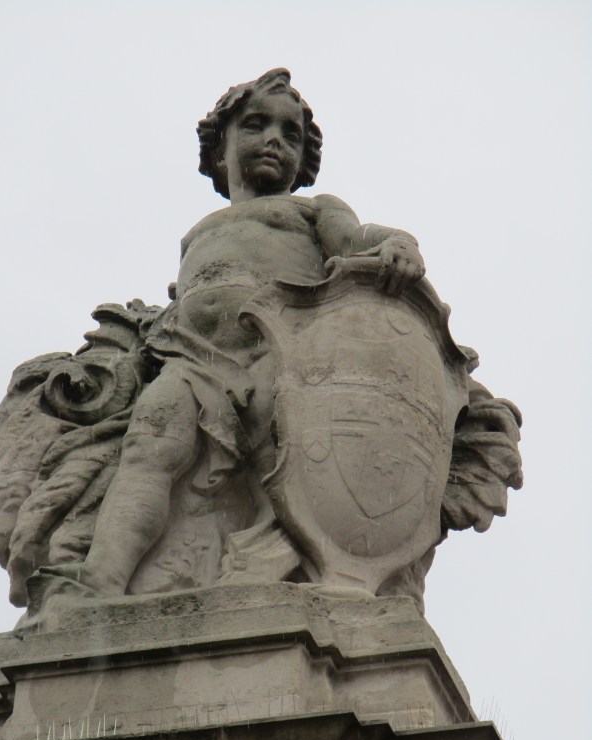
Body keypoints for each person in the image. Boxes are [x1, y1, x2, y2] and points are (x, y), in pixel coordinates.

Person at [48, 68, 426, 595]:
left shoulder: (313, 210)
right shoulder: (196, 234)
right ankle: (103, 579)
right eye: (256, 125)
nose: (274, 140)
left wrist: (399, 244)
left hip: (279, 353)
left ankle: (311, 576)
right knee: (148, 450)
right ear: (219, 149)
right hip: (193, 359)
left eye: (290, 134)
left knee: (286, 472)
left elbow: (356, 239)